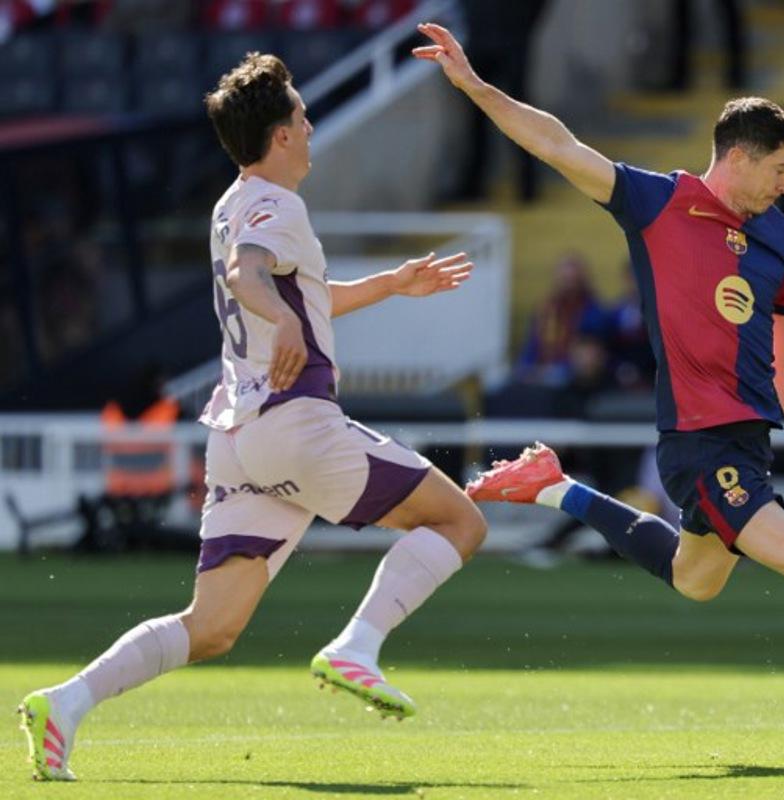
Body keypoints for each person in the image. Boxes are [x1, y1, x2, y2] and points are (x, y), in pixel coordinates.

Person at [415, 23, 784, 757]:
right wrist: (474, 86)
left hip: (748, 445)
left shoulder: (777, 234)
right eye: (780, 168)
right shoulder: (657, 205)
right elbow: (557, 144)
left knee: (696, 582)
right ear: (741, 157)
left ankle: (556, 488)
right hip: (699, 443)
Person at [18, 53, 486, 782]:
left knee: (211, 628)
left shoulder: (232, 201)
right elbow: (251, 275)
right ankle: (356, 647)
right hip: (296, 424)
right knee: (460, 522)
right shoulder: (277, 204)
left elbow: (297, 290)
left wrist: (390, 285)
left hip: (239, 440)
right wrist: (286, 322)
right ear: (278, 137)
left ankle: (66, 703)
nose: (310, 125)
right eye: (301, 117)